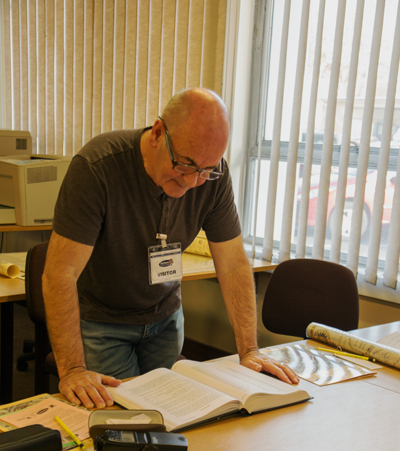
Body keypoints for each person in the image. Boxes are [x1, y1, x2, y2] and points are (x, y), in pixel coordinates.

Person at [43, 88, 299, 409]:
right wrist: (72, 370)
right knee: (124, 417)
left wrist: (249, 351)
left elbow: (233, 263)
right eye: (185, 164)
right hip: (103, 322)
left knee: (170, 413)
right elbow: (60, 273)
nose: (193, 182)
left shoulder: (212, 175)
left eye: (206, 170)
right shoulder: (98, 167)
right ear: (157, 133)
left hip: (165, 318)